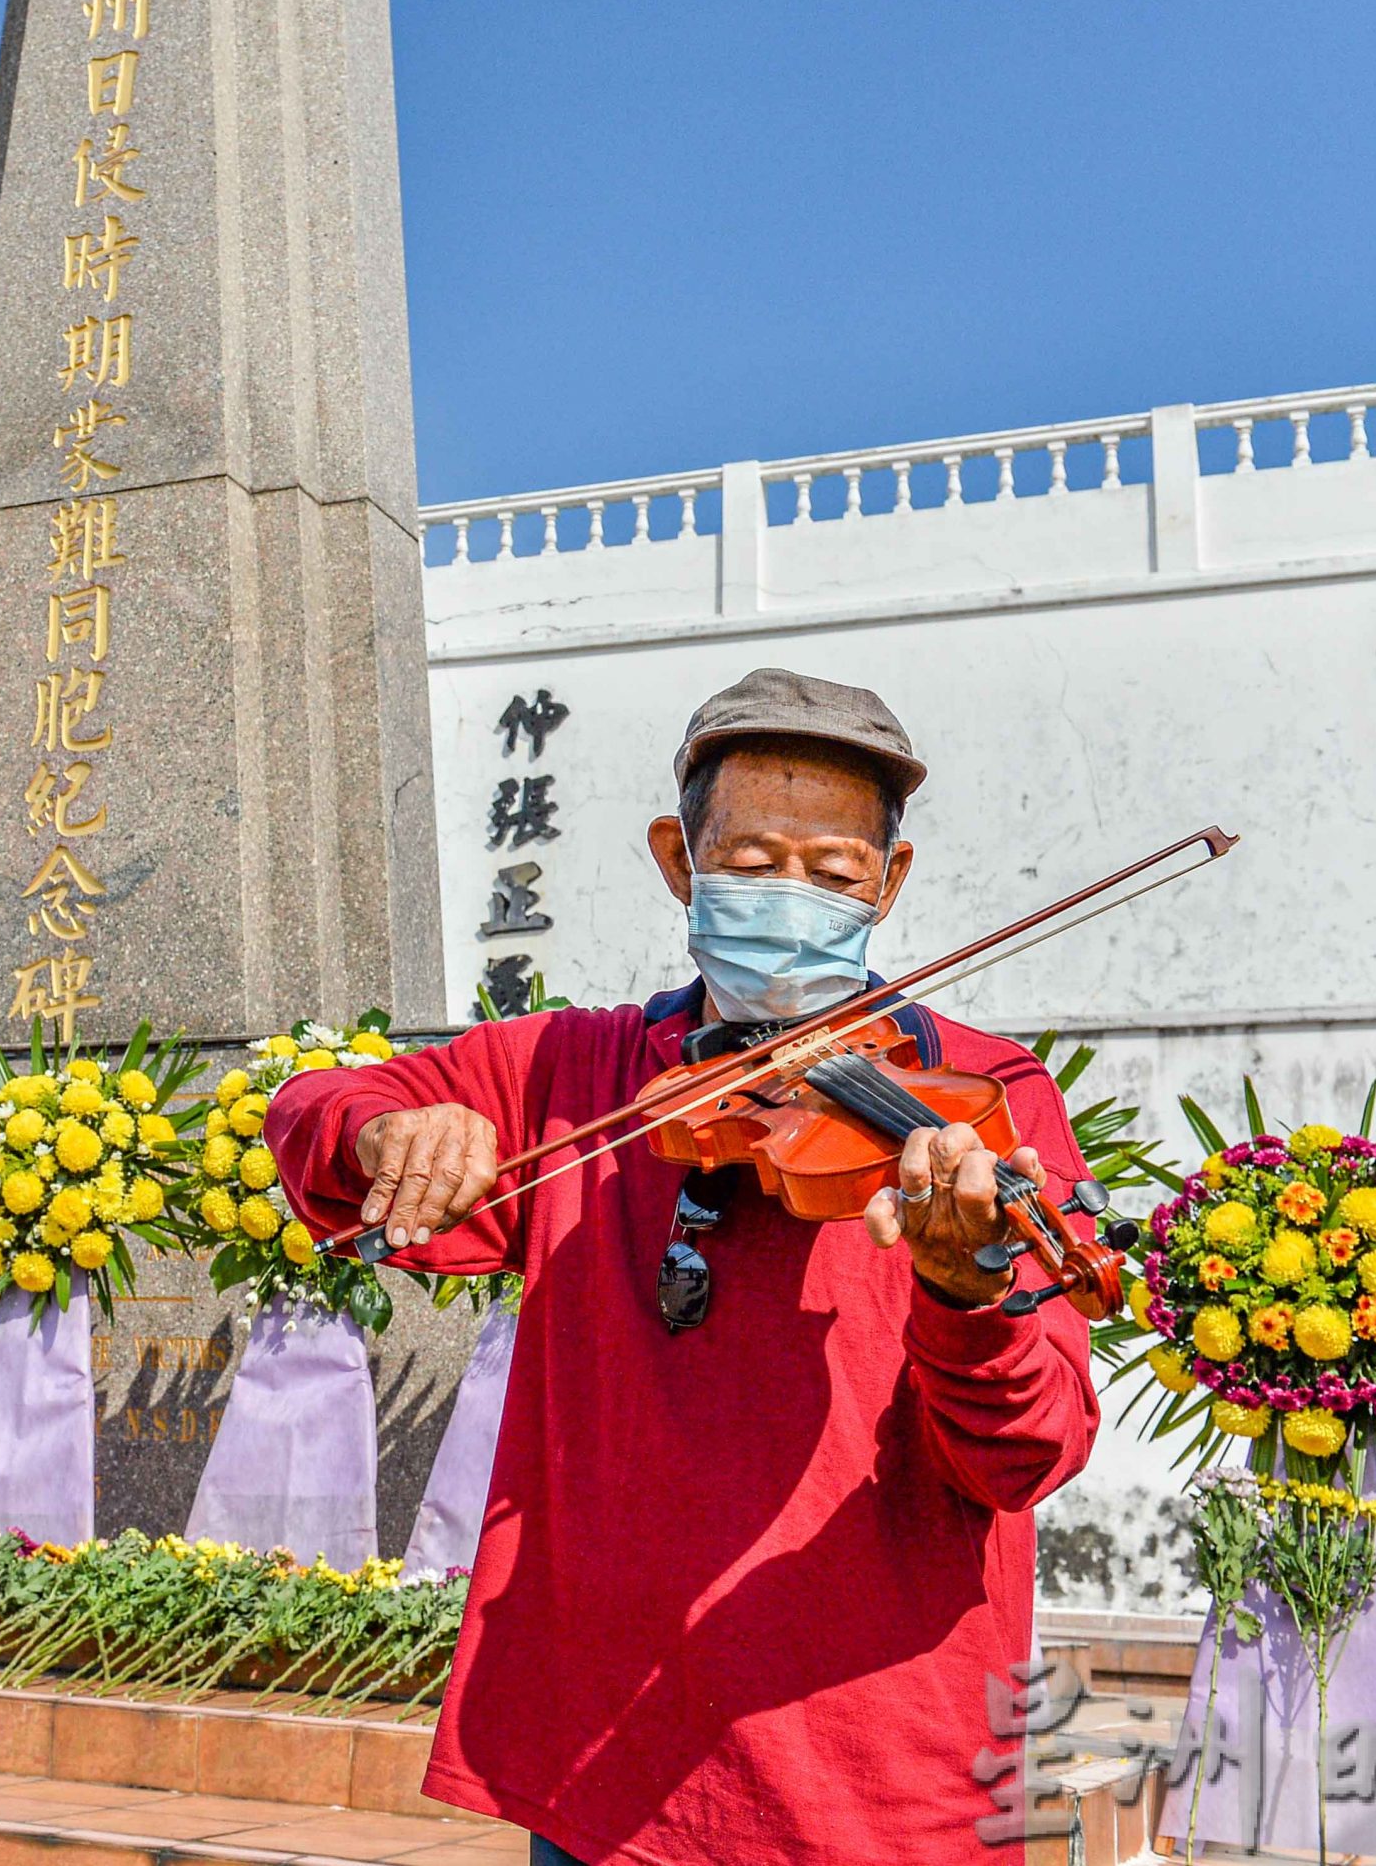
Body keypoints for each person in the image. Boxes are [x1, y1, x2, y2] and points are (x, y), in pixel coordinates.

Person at [265, 667, 1100, 1866]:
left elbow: (1028, 1455)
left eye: (833, 873)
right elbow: (314, 1110)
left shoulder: (983, 1101)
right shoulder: (574, 1071)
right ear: (679, 859)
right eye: (751, 862)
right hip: (609, 1769)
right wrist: (383, 1130)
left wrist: (968, 1295)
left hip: (878, 1773)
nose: (791, 897)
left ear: (889, 883)